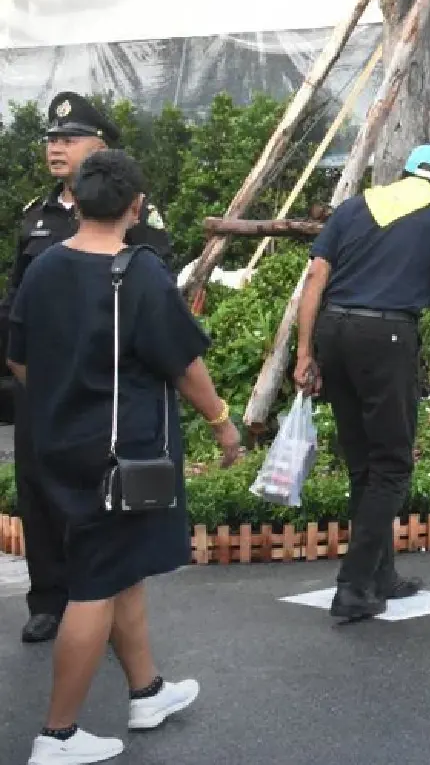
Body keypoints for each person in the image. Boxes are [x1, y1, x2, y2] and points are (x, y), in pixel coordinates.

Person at [8, 150, 242, 765]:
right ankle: (57, 735)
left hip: (58, 443)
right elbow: (185, 365)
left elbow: (19, 355)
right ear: (137, 208)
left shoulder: (44, 266)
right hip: (120, 456)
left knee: (119, 569)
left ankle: (147, 691)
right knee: (93, 584)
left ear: (76, 201)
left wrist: (64, 400)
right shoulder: (138, 273)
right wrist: (222, 422)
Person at [3, 92, 172, 646]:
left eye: (69, 138)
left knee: (103, 496)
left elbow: (152, 299)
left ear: (101, 148)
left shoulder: (138, 216)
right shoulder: (36, 216)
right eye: (53, 138)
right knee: (39, 492)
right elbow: (16, 307)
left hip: (107, 388)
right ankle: (48, 599)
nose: (57, 146)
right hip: (43, 386)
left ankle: (92, 598)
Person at [294, 144, 430, 620]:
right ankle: (353, 587)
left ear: (404, 171)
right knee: (392, 465)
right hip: (387, 335)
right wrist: (410, 290)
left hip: (332, 330)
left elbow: (315, 277)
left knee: (363, 463)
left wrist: (304, 352)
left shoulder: (354, 207)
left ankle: (380, 575)